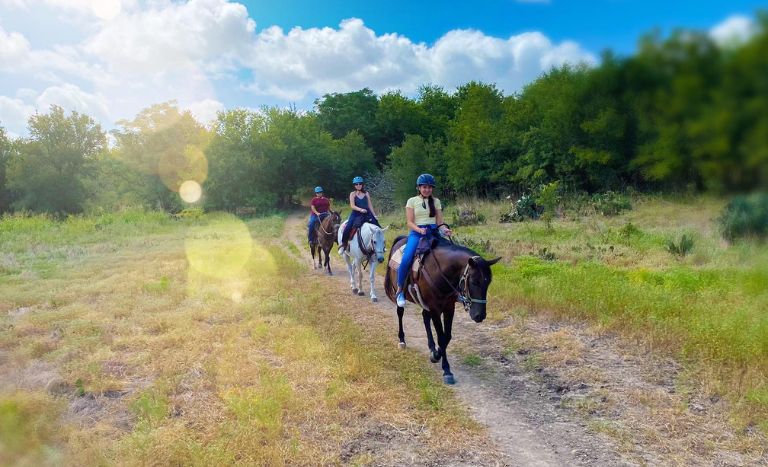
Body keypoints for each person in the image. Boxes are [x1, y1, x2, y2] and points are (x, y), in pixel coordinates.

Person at [395, 173, 452, 307]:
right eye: (424, 187)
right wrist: (419, 230)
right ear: (419, 188)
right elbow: (409, 222)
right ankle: (400, 290)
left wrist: (445, 230)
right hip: (417, 233)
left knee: (451, 254)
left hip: (433, 232)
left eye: (430, 187)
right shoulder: (412, 201)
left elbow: (439, 223)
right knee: (407, 258)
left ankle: (454, 291)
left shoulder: (436, 201)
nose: (427, 190)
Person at [339, 176, 381, 254]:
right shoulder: (352, 194)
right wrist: (361, 209)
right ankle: (344, 245)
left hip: (367, 213)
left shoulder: (366, 193)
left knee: (378, 227)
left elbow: (370, 205)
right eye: (356, 184)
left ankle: (381, 246)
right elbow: (352, 206)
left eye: (360, 184)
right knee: (348, 227)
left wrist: (374, 215)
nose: (358, 185)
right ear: (354, 185)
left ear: (362, 184)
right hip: (356, 213)